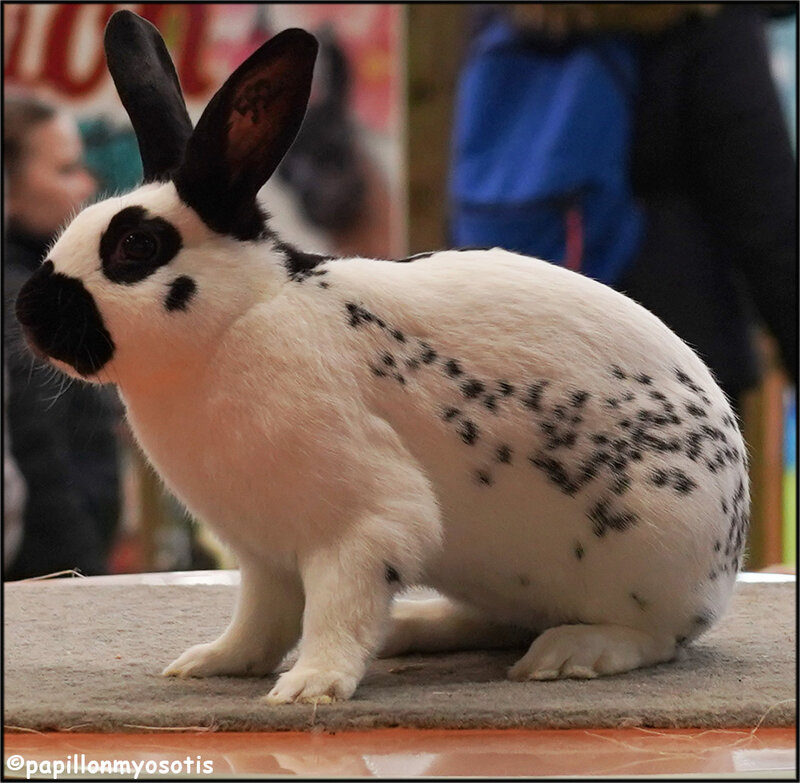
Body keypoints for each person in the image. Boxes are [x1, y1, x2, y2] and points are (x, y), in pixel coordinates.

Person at [451, 4, 797, 417]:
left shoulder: (505, 15)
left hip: (521, 362)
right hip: (670, 365)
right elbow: (769, 222)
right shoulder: (706, 20)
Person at [3, 93, 122, 580]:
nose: (88, 184)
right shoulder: (21, 304)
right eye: (66, 168)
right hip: (50, 582)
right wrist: (86, 583)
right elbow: (41, 465)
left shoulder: (46, 286)